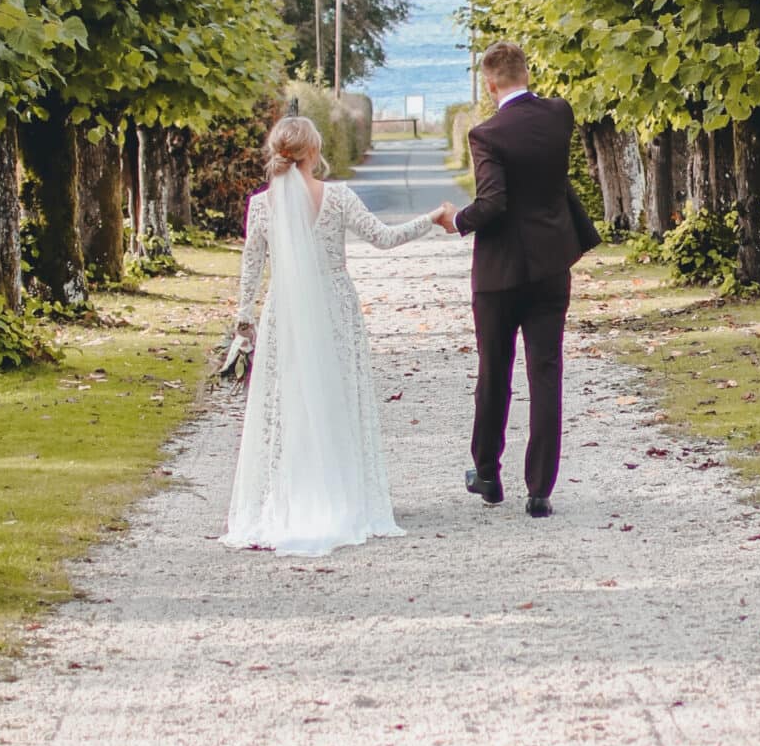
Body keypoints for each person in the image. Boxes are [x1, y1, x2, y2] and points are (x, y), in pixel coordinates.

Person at [223, 114, 449, 556]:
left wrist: (243, 319)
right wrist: (433, 217)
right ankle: (342, 492)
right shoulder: (338, 197)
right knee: (338, 395)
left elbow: (251, 270)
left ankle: (292, 493)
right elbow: (384, 238)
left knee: (290, 399)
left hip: (285, 309)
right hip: (335, 306)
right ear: (313, 151)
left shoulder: (262, 206)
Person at [436, 40, 599, 517]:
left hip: (500, 273)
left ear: (489, 85)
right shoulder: (559, 114)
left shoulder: (486, 135)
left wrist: (456, 220)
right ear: (527, 72)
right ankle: (540, 489)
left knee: (495, 371)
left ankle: (488, 474)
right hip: (551, 265)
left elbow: (493, 203)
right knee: (545, 373)